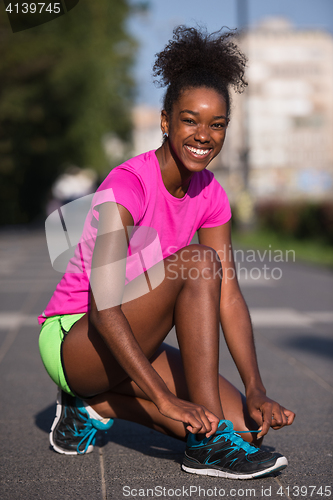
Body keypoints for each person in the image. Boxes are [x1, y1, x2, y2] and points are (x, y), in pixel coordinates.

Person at [38, 26, 295, 480]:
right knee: (198, 262)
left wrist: (256, 388)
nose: (204, 135)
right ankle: (207, 446)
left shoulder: (212, 194)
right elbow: (104, 310)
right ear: (165, 121)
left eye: (216, 124)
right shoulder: (127, 186)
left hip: (133, 335)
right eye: (190, 119)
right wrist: (163, 396)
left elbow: (229, 297)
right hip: (76, 338)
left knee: (249, 429)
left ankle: (96, 405)